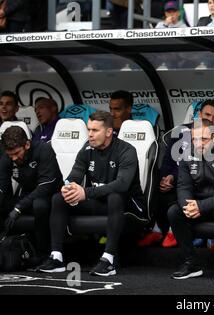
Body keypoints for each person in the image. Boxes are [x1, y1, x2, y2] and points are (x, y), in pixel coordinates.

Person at [37, 111, 146, 276]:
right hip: (98, 202)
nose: (90, 134)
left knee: (115, 197)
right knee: (59, 199)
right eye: (89, 129)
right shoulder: (86, 148)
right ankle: (56, 256)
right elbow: (74, 176)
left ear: (109, 132)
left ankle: (108, 260)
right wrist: (68, 187)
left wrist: (86, 193)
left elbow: (122, 185)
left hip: (128, 206)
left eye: (95, 130)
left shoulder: (126, 150)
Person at [140, 100, 214, 248]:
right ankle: (158, 230)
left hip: (197, 183)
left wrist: (174, 177)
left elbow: (199, 164)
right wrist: (165, 178)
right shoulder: (181, 131)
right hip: (177, 178)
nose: (211, 119)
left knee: (182, 191)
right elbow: (168, 159)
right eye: (207, 115)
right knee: (155, 187)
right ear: (199, 114)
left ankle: (180, 234)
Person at [168, 119, 214, 281]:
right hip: (198, 206)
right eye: (194, 139)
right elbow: (183, 187)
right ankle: (191, 263)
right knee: (175, 211)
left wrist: (201, 206)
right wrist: (187, 206)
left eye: (203, 139)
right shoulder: (187, 156)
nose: (198, 144)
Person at [0, 126, 63, 265]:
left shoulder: (43, 149)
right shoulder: (7, 157)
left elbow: (45, 186)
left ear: (27, 144)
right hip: (27, 197)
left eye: (17, 153)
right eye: (10, 155)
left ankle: (43, 253)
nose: (14, 158)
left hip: (51, 195)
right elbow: (3, 187)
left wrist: (18, 208)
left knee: (39, 205)